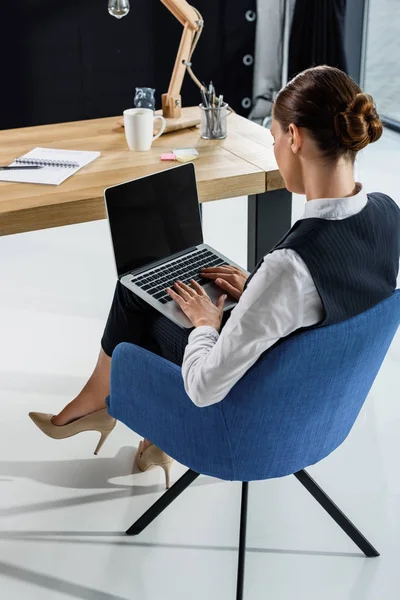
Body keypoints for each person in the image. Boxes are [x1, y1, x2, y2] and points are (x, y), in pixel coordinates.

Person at [30, 66, 400, 489]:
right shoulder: (388, 213)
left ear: (295, 138)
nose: (276, 149)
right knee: (165, 292)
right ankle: (148, 438)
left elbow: (205, 388)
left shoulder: (289, 270)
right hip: (320, 410)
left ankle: (105, 404)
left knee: (142, 297)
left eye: (275, 139)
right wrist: (257, 292)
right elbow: (335, 301)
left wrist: (208, 324)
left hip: (244, 431)